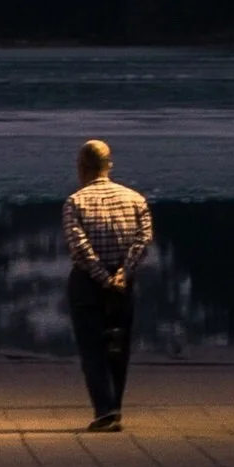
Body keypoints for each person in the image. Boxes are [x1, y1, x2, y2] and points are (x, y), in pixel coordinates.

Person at [61, 139, 153, 432]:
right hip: (123, 283)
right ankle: (116, 408)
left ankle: (104, 409)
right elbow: (143, 239)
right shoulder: (135, 199)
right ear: (108, 165)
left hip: (88, 283)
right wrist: (122, 275)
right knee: (118, 346)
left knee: (92, 348)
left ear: (81, 167)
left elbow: (80, 247)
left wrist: (101, 276)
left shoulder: (75, 202)